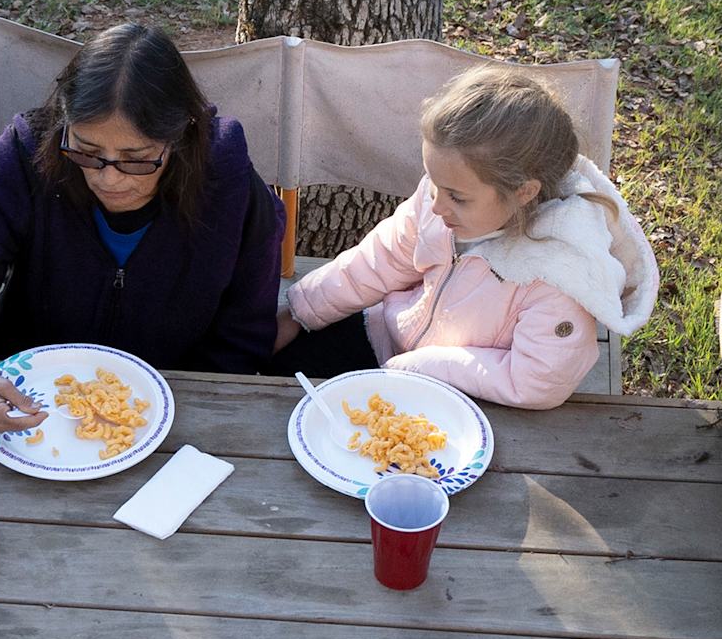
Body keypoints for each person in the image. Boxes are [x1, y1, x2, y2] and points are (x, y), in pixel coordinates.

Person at [0, 22, 285, 432]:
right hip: (32, 402)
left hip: (177, 409)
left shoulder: (227, 182)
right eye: (86, 152)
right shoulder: (24, 157)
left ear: (180, 137)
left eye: (135, 158)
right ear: (63, 122)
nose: (108, 179)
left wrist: (187, 416)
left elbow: (244, 332)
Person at [275, 66, 657, 408]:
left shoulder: (562, 273)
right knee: (276, 381)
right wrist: (301, 312)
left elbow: (536, 382)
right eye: (433, 186)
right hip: (387, 340)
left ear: (523, 191)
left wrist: (417, 368)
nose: (437, 205)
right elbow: (382, 258)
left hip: (470, 400)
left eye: (456, 197)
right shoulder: (441, 197)